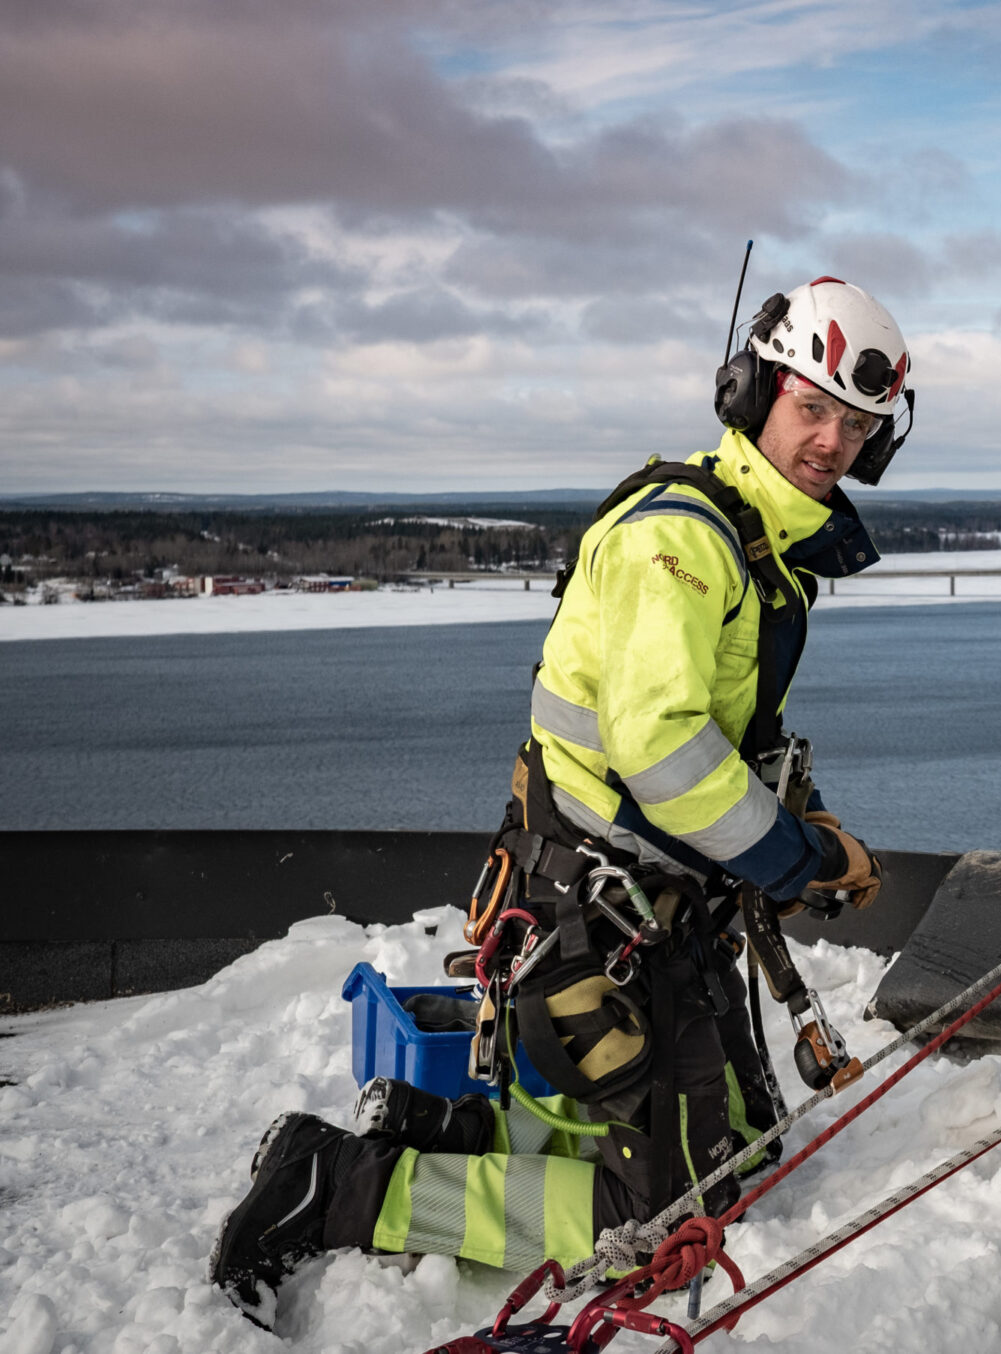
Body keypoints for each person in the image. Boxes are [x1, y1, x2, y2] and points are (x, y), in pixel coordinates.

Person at [210, 277, 914, 1321]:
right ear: (756, 392)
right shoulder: (680, 539)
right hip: (594, 902)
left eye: (854, 425)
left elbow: (730, 740)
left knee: (747, 1131)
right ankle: (333, 1186)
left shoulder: (761, 549)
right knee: (683, 1206)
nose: (831, 441)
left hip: (657, 899)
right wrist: (795, 861)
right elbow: (663, 750)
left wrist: (802, 823)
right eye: (812, 408)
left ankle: (429, 1121)